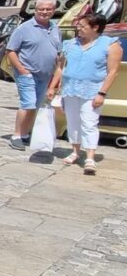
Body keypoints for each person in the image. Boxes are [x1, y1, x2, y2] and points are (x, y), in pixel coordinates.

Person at [47, 14, 122, 175]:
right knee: (72, 122)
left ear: (95, 27)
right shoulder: (70, 44)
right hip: (70, 89)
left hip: (92, 90)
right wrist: (52, 87)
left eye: (82, 26)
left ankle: (90, 157)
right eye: (78, 25)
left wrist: (102, 93)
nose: (78, 28)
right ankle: (75, 150)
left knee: (89, 122)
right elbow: (61, 68)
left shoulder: (110, 44)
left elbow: (113, 72)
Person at [6, 0, 59, 151]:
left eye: (48, 9)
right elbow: (11, 51)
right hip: (27, 73)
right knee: (28, 103)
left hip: (45, 74)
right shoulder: (24, 28)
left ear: (53, 11)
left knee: (35, 105)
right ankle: (16, 135)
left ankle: (25, 133)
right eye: (41, 9)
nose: (44, 12)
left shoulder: (55, 28)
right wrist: (22, 69)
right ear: (35, 10)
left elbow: (58, 51)